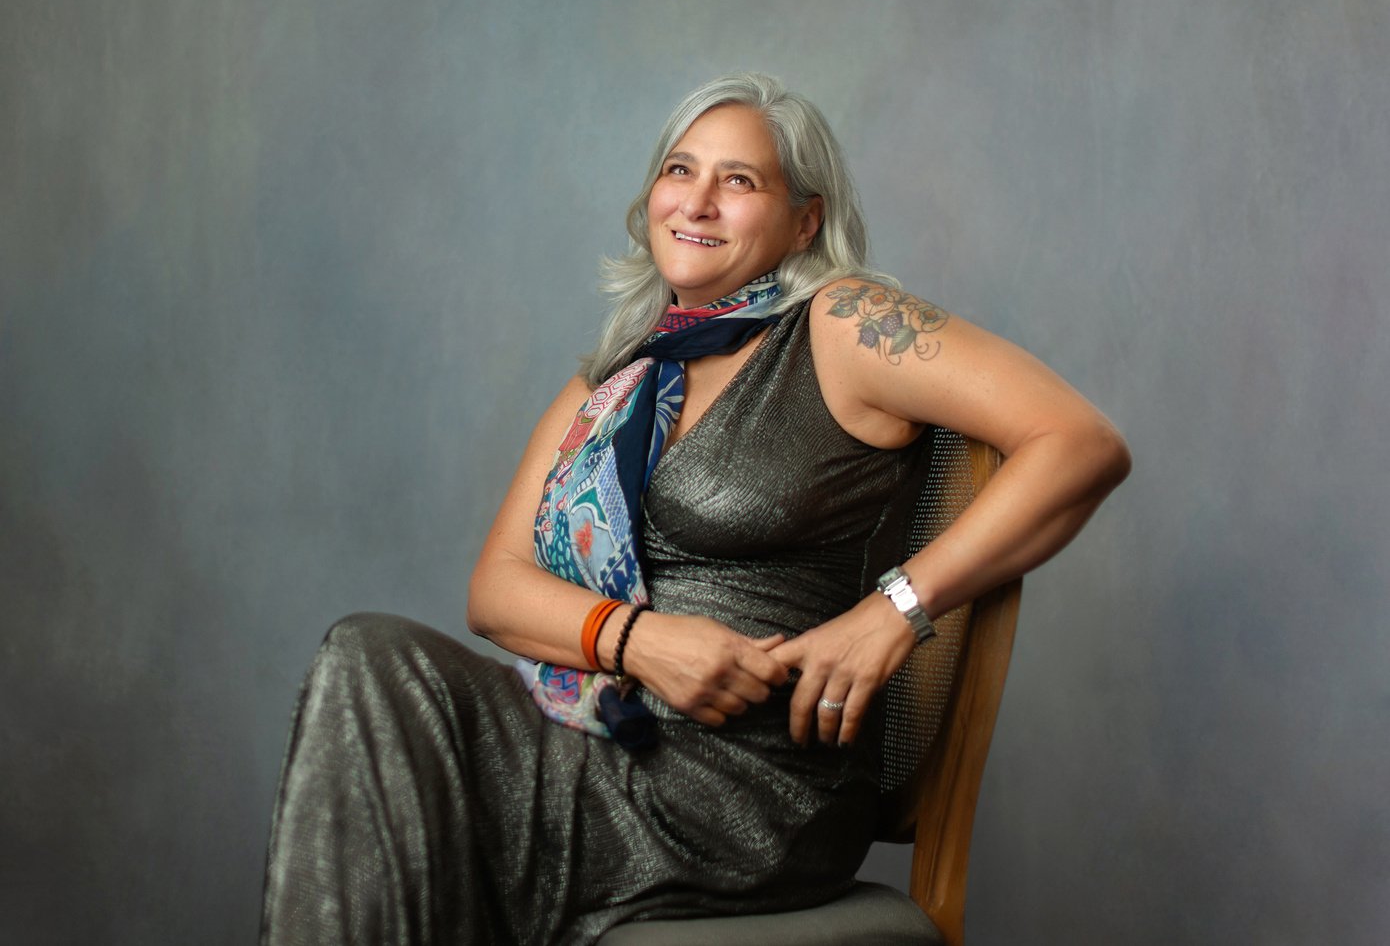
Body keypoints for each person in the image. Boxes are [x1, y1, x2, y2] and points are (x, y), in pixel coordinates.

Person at [259, 73, 1130, 946]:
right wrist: (641, 641)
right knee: (368, 662)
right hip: (605, 742)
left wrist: (895, 608)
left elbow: (1078, 442)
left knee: (399, 768)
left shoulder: (840, 325)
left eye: (740, 181)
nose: (700, 201)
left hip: (749, 785)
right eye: (681, 170)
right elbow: (496, 589)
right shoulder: (615, 377)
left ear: (805, 222)